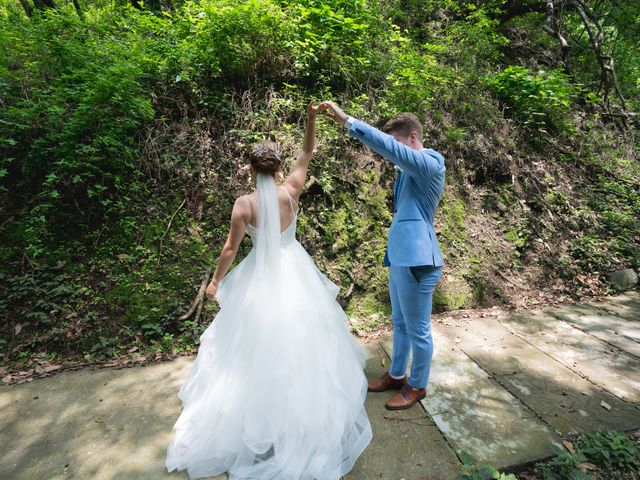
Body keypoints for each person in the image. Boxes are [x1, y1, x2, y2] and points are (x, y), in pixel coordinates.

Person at [165, 101, 372, 480]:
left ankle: (258, 419)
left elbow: (230, 249)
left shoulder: (244, 205)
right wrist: (311, 118)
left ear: (249, 168)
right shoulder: (291, 190)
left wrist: (215, 282)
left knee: (252, 346)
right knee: (302, 345)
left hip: (259, 275)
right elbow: (308, 151)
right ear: (278, 167)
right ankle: (298, 418)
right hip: (295, 269)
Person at [321, 101, 445, 411]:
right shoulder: (406, 175)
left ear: (413, 138)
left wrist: (348, 121)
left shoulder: (431, 162)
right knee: (400, 323)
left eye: (398, 142)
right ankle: (396, 375)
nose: (393, 153)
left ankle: (417, 385)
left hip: (419, 260)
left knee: (418, 329)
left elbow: (391, 149)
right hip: (401, 258)